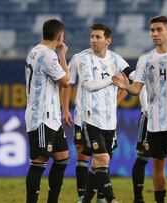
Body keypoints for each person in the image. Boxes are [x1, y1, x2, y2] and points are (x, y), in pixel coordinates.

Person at [113, 15, 167, 203]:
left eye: (158, 30)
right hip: (155, 120)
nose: (154, 34)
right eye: (152, 30)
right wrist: (126, 87)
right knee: (157, 163)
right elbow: (137, 89)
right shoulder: (145, 59)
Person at [61, 24, 129, 203]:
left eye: (98, 37)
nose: (93, 40)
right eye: (92, 36)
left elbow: (132, 78)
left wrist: (117, 100)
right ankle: (91, 196)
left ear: (108, 40)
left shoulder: (116, 60)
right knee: (87, 155)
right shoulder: (80, 59)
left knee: (102, 159)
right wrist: (66, 109)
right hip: (85, 116)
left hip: (109, 119)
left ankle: (95, 198)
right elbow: (69, 83)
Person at [25, 18, 70, 203]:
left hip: (52, 116)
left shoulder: (34, 51)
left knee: (62, 157)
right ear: (60, 36)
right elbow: (66, 81)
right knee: (39, 161)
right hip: (42, 116)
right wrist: (63, 56)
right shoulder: (48, 55)